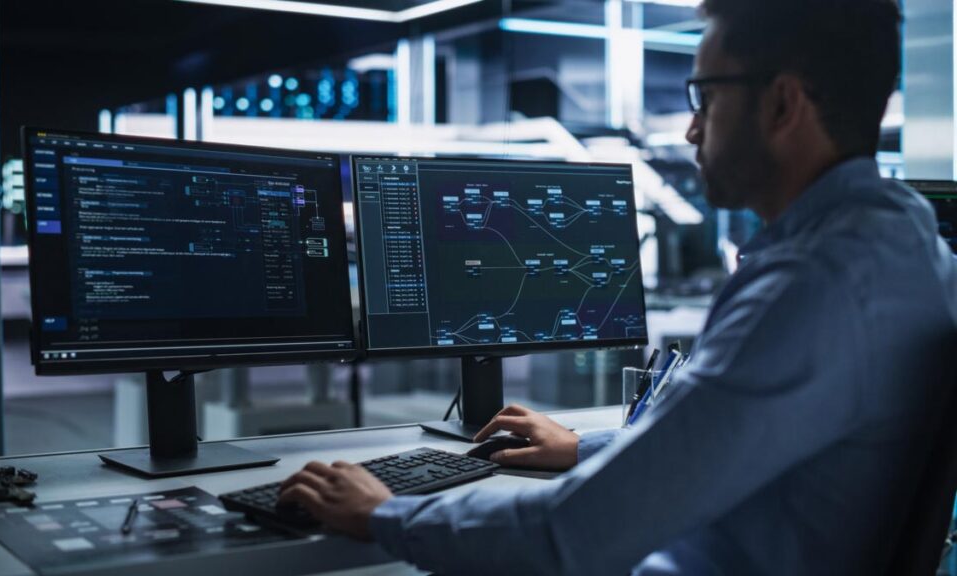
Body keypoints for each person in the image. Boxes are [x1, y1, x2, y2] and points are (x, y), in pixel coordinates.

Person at [280, 0, 957, 573]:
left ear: (783, 103)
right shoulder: (906, 241)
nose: (692, 128)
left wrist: (387, 513)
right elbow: (732, 439)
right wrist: (588, 447)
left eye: (707, 96)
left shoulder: (812, 286)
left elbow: (575, 534)